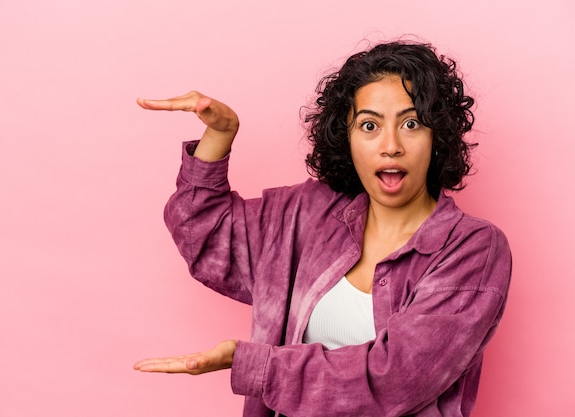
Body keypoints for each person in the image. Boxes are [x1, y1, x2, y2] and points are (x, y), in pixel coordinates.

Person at [133, 40, 512, 417]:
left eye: (411, 123)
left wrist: (256, 365)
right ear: (346, 139)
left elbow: (396, 380)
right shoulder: (307, 212)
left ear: (437, 136)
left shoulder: (473, 247)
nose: (391, 145)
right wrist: (220, 136)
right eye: (369, 125)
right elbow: (205, 234)